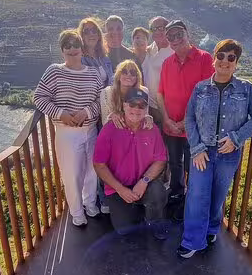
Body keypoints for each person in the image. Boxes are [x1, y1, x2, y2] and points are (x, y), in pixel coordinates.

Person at [177, 39, 252, 258]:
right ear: (214, 59)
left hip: (229, 153)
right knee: (197, 195)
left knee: (218, 195)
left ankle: (210, 229)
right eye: (221, 56)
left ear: (236, 63)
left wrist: (236, 138)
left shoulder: (246, 89)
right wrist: (197, 148)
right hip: (202, 152)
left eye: (231, 57)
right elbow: (189, 119)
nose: (225, 61)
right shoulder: (200, 88)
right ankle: (191, 241)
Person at [34, 29, 103, 227]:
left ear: (82, 49)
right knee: (71, 174)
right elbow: (39, 97)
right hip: (67, 133)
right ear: (62, 50)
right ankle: (76, 212)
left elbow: (101, 101)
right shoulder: (54, 71)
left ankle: (90, 203)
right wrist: (61, 113)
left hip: (90, 130)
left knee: (92, 171)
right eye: (67, 45)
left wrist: (87, 113)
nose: (72, 49)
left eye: (76, 45)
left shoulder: (93, 73)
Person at [93, 87, 168, 239]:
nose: (136, 109)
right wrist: (120, 189)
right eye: (132, 104)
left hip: (143, 183)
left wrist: (144, 181)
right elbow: (99, 165)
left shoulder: (152, 128)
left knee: (158, 191)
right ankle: (134, 206)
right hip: (117, 187)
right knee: (124, 230)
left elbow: (160, 160)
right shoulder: (109, 129)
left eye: (142, 105)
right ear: (124, 105)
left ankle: (154, 221)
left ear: (147, 109)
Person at [157, 20, 215, 205]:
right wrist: (166, 119)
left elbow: (207, 96)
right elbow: (161, 93)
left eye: (179, 34)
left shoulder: (205, 59)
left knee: (194, 166)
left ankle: (193, 200)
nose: (175, 39)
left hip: (195, 128)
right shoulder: (167, 63)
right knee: (175, 164)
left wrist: (184, 123)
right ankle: (177, 195)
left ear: (187, 34)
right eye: (171, 36)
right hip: (171, 127)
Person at [100, 60, 153, 129]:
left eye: (133, 73)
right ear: (118, 76)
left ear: (137, 77)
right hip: (114, 130)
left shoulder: (144, 91)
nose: (128, 75)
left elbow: (144, 114)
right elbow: (104, 122)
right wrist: (111, 116)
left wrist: (148, 118)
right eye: (124, 72)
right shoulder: (107, 92)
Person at [142, 16, 173, 126]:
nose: (157, 32)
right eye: (153, 29)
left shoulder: (173, 51)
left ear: (168, 29)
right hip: (147, 106)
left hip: (166, 109)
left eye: (161, 28)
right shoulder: (149, 49)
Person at [79, 17, 113, 87]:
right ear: (82, 36)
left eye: (94, 31)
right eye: (86, 32)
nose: (91, 34)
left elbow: (111, 81)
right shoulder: (79, 60)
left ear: (98, 35)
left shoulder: (105, 59)